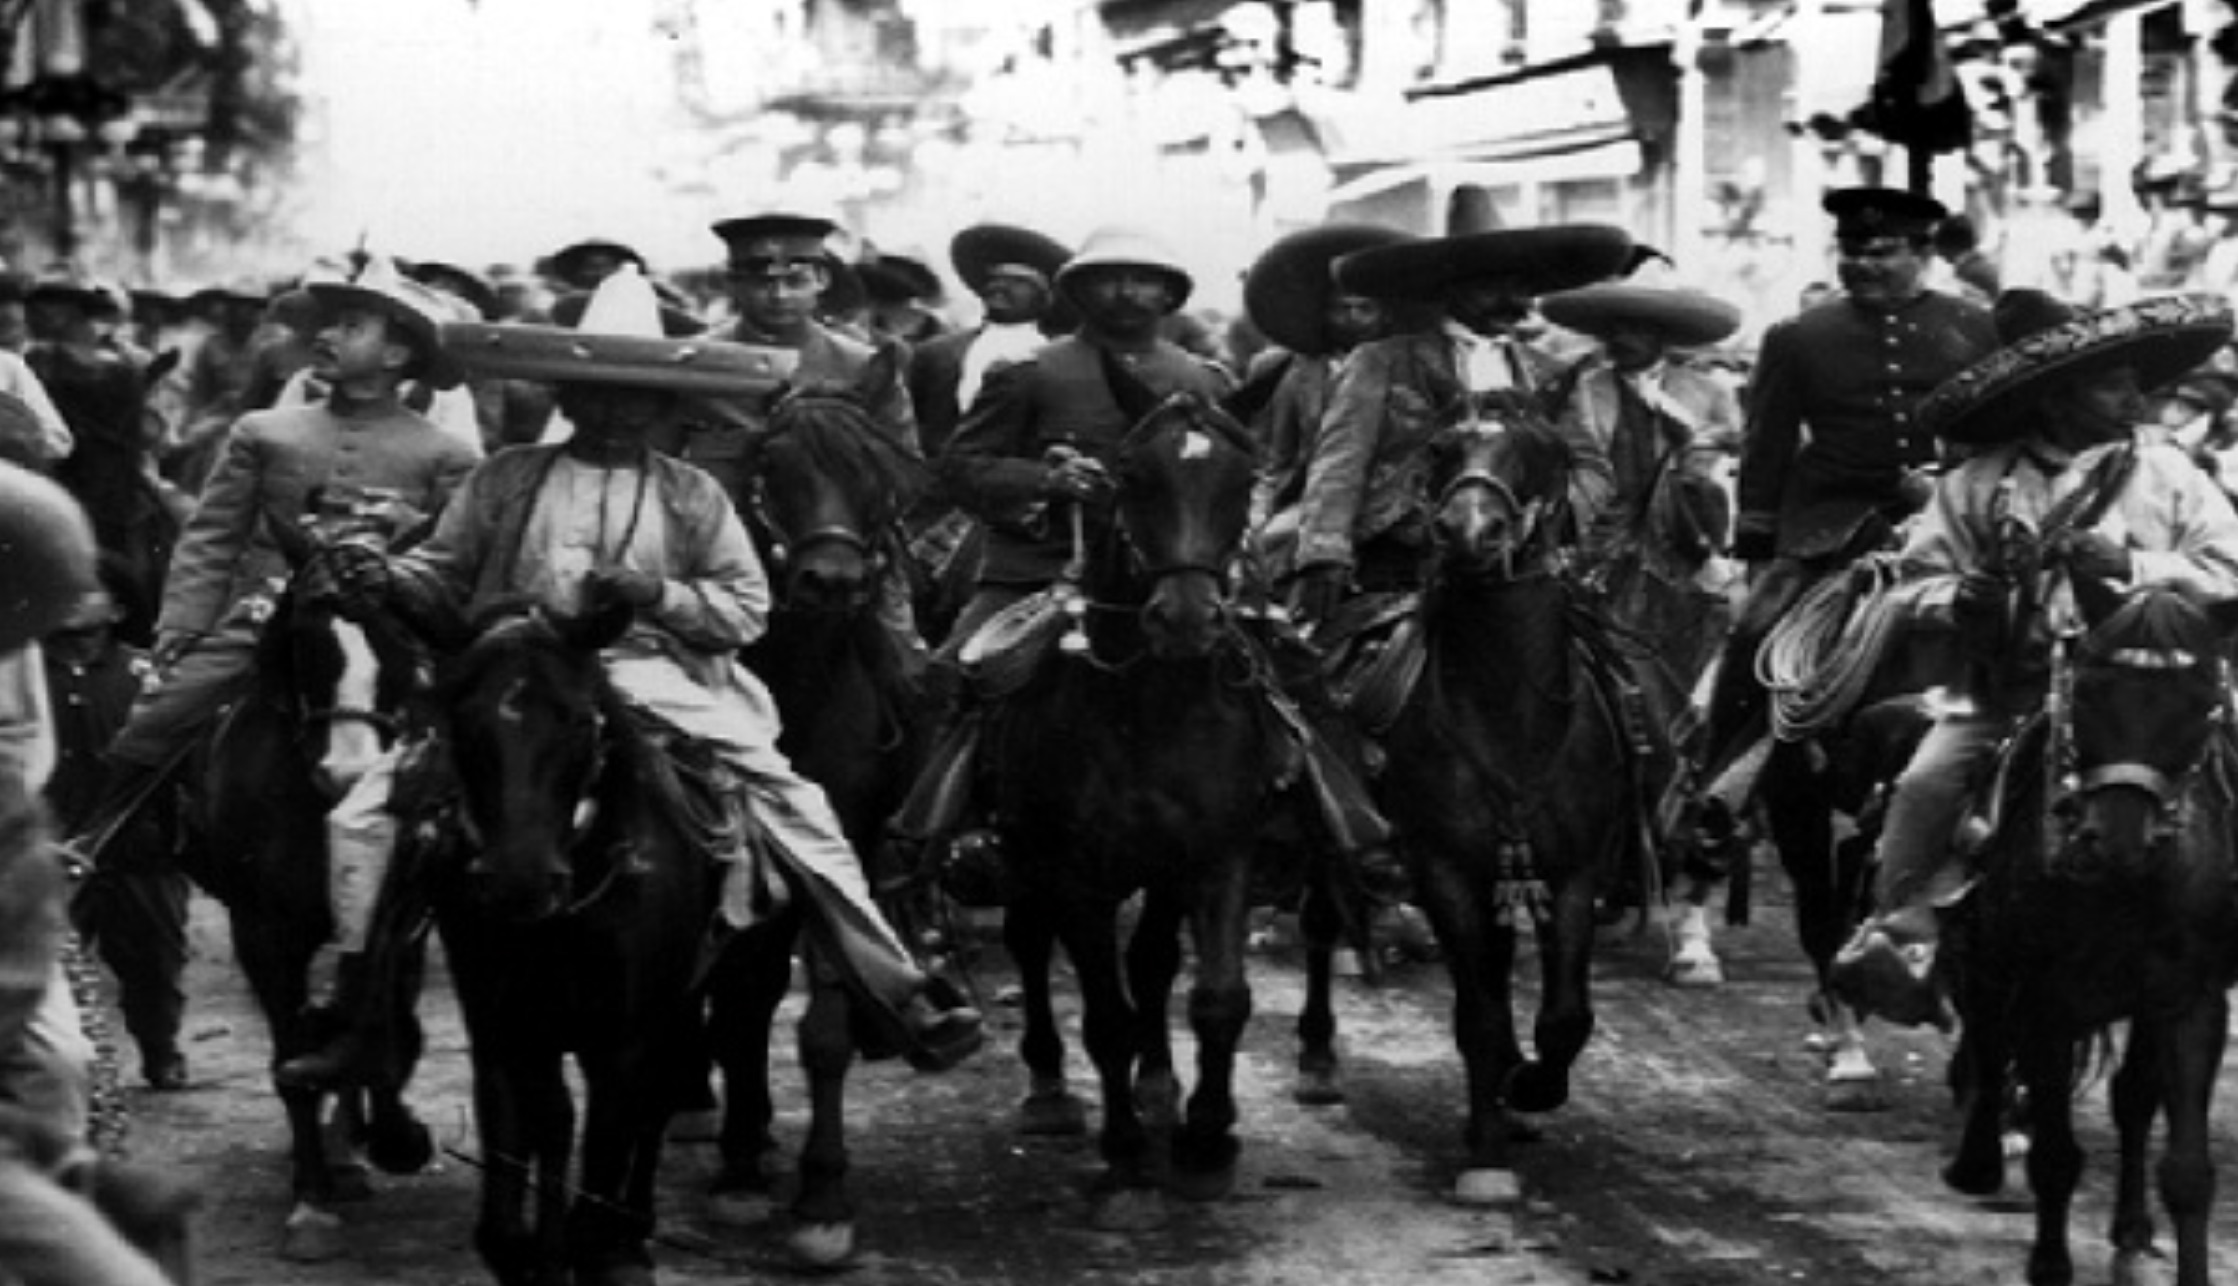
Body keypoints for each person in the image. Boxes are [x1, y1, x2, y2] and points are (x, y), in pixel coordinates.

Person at [280, 266, 983, 1086]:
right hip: (521, 669)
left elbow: (745, 608)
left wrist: (659, 593)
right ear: (570, 400)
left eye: (635, 398)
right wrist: (389, 576)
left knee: (795, 799)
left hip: (656, 671)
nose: (616, 412)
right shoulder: (506, 478)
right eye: (597, 395)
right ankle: (356, 1008)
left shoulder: (692, 496)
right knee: (368, 810)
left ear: (662, 407)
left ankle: (895, 986)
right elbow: (442, 570)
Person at [1828, 290, 2238, 1027]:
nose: (2133, 397)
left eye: (2132, 380)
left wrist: (2137, 566)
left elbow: (2230, 572)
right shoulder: (1976, 483)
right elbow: (1910, 590)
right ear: (2057, 397)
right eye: (2113, 383)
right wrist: (1972, 595)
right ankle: (1903, 936)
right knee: (1925, 783)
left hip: (2149, 689)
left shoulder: (2171, 474)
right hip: (2013, 691)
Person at [66, 257, 480, 915]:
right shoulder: (264, 432)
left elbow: (455, 558)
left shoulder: (445, 454)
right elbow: (212, 538)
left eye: (352, 326)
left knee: (474, 733)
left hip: (391, 621)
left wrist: (410, 546)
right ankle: (96, 840)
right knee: (162, 713)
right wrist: (183, 625)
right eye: (330, 324)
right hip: (266, 609)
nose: (328, 336)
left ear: (399, 352)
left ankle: (475, 868)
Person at [1689, 187, 1999, 846]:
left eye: (1881, 252)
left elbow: (1998, 430)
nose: (1862, 265)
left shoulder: (1977, 327)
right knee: (1755, 636)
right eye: (1851, 252)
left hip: (1953, 514)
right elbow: (1766, 444)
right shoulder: (1798, 337)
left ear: (1923, 253)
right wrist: (1760, 545)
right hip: (1832, 522)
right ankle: (1722, 797)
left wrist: (1951, 481)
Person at [1283, 218, 1630, 628]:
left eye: (1519, 287)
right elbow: (1341, 462)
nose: (1511, 301)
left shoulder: (1552, 374)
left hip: (1519, 563)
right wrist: (1324, 553)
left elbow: (1591, 468)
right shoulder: (1385, 361)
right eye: (1492, 288)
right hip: (1402, 560)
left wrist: (1552, 523)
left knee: (1606, 671)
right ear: (1452, 288)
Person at [938, 225, 1233, 642]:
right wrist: (1047, 479)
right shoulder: (1027, 373)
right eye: (1108, 280)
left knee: (1286, 674)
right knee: (958, 675)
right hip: (1043, 569)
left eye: (1144, 281)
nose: (1127, 292)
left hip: (1178, 573)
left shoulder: (1204, 382)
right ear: (1078, 292)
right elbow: (960, 466)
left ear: (1170, 295)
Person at [45, 570, 189, 1092]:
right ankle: (65, 1068)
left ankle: (160, 1050)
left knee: (154, 961)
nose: (71, 601)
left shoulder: (147, 673)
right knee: (49, 965)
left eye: (88, 591)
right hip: (52, 848)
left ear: (118, 609)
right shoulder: (20, 674)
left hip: (139, 848)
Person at [1237, 221, 1424, 587]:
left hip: (1394, 503)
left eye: (1364, 309)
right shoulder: (1285, 368)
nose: (1353, 319)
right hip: (1310, 501)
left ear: (1385, 314)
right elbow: (1272, 455)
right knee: (1267, 551)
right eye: (1341, 309)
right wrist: (1257, 514)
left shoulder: (1410, 366)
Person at [904, 222, 1073, 463]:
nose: (1000, 287)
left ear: (1045, 295)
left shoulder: (1061, 355)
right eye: (995, 278)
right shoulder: (936, 353)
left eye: (1018, 281)